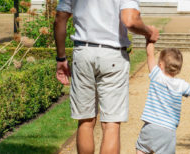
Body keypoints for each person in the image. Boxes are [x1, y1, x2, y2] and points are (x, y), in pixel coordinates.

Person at [53, 0, 159, 153]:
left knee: (85, 121)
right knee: (111, 124)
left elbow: (59, 18)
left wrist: (61, 58)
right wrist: (149, 31)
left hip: (83, 52)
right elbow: (130, 20)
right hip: (113, 54)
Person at [135, 43, 190, 154]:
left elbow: (149, 54)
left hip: (150, 126)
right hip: (168, 131)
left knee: (141, 149)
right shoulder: (180, 84)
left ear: (161, 65)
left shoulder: (156, 75)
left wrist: (150, 39)